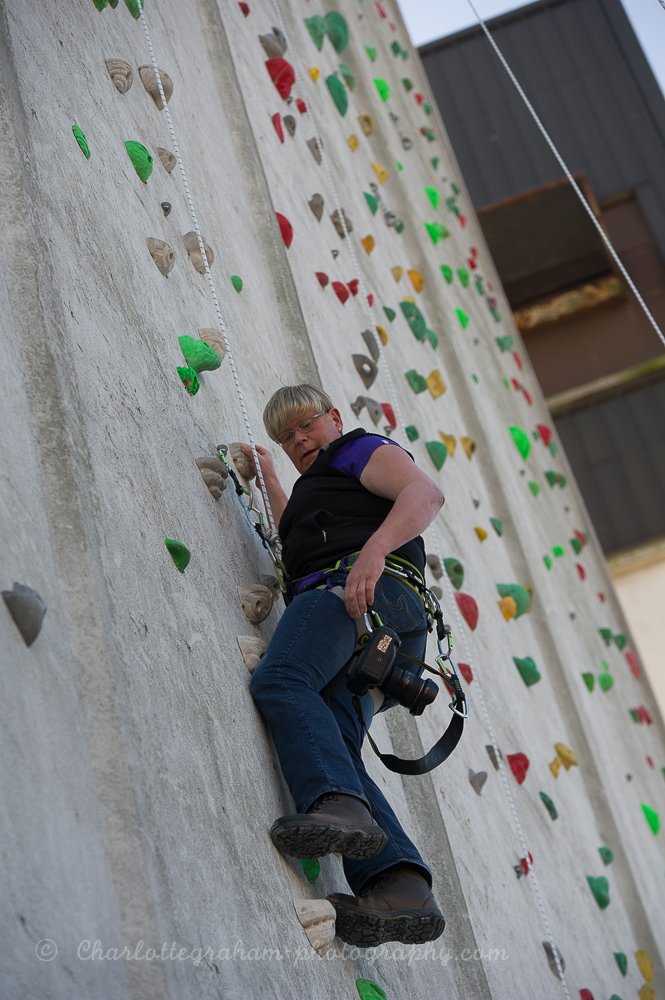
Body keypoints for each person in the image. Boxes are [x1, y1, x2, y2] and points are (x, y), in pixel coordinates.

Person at [242, 383, 446, 948]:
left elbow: (425, 494)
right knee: (333, 740)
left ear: (334, 417)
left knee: (282, 678)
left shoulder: (358, 449)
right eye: (287, 437)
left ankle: (336, 806)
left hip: (359, 594)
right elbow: (301, 528)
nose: (299, 439)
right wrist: (270, 481)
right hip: (388, 627)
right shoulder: (322, 488)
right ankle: (400, 885)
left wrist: (374, 554)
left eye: (307, 424)